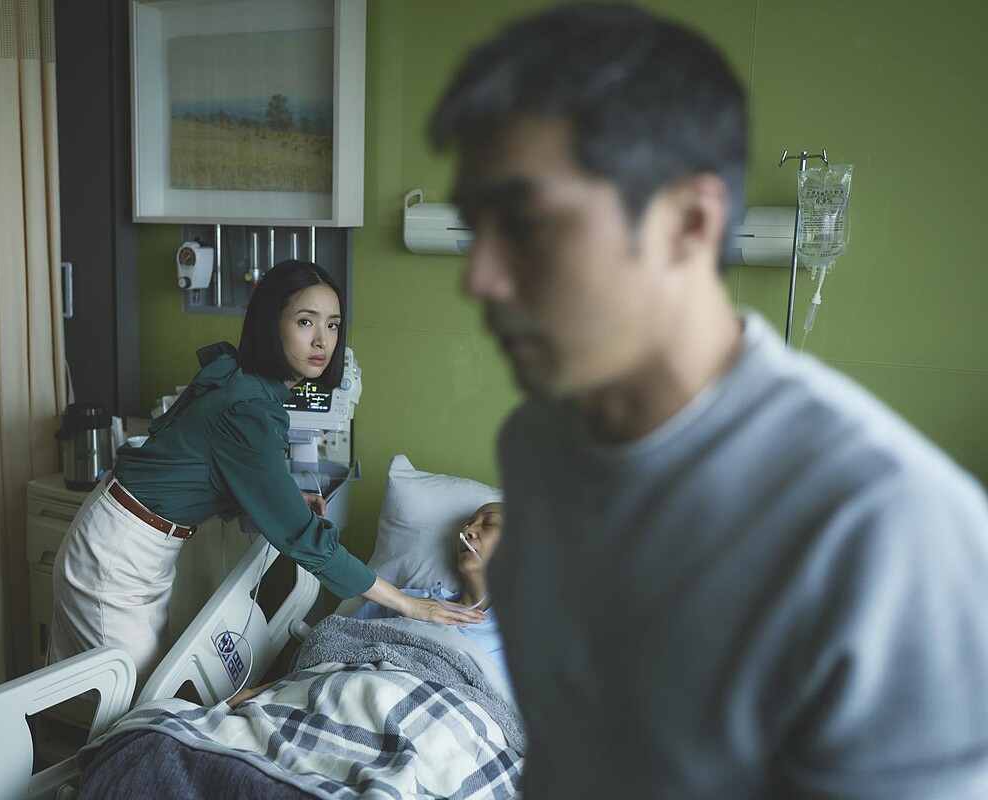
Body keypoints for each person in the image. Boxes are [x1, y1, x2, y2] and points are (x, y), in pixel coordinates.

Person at [429, 4, 988, 798]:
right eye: (473, 228)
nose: (478, 279)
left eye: (526, 224)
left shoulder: (886, 532)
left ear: (689, 223)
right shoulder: (537, 443)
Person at [50, 260, 484, 686]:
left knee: (108, 693)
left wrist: (285, 497)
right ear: (270, 323)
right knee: (128, 706)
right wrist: (409, 604)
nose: (322, 340)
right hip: (118, 555)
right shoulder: (250, 409)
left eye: (333, 325)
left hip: (127, 536)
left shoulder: (243, 379)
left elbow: (223, 466)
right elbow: (306, 540)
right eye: (305, 322)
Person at [351, 501, 511, 688]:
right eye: (467, 524)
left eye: (489, 523)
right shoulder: (405, 599)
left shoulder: (518, 633)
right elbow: (343, 637)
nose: (467, 531)